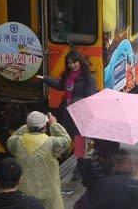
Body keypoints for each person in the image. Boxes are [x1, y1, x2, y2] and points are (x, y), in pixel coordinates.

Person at [6, 110, 71, 209]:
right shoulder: (51, 143)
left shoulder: (17, 142)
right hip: (46, 197)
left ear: (28, 127)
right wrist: (54, 124)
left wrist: (27, 125)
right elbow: (66, 140)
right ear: (44, 128)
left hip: (24, 195)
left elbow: (12, 139)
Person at [37, 48, 97, 181]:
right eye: (70, 63)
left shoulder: (88, 78)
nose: (72, 65)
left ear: (80, 62)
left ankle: (80, 169)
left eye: (75, 62)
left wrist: (73, 102)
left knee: (81, 142)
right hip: (69, 115)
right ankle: (60, 163)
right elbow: (61, 85)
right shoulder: (68, 76)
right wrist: (45, 79)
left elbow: (90, 98)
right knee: (66, 139)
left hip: (82, 116)